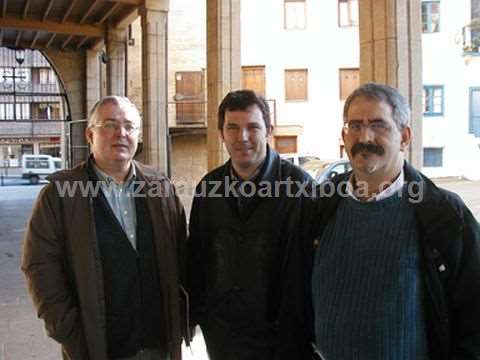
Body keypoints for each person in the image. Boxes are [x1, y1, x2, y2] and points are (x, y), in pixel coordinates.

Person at [309, 83, 480, 360]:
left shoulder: (444, 215)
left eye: (378, 125)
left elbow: (473, 319)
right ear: (344, 135)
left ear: (404, 136)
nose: (365, 136)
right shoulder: (319, 207)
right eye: (355, 126)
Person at [22, 96, 187, 360]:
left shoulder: (161, 188)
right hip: (96, 346)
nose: (121, 133)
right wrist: (69, 330)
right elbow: (40, 266)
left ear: (138, 135)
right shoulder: (59, 195)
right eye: (109, 125)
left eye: (129, 126)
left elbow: (182, 256)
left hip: (159, 344)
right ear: (90, 134)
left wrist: (180, 318)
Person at [187, 90, 314, 359]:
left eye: (252, 127)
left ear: (268, 130)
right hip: (224, 339)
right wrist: (202, 316)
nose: (242, 137)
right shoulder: (208, 189)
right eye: (232, 127)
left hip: (283, 342)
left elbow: (312, 267)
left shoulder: (301, 188)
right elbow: (197, 258)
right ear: (221, 133)